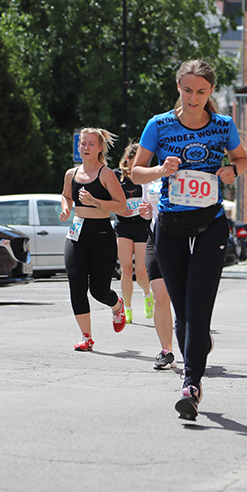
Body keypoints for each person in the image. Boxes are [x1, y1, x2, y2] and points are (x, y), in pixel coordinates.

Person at [131, 59, 247, 421]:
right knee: (182, 310)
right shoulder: (159, 125)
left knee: (198, 309)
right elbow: (135, 170)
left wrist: (233, 169)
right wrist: (160, 170)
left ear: (211, 91)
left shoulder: (223, 125)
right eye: (187, 90)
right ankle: (196, 350)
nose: (193, 97)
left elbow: (242, 159)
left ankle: (191, 384)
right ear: (178, 88)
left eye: (201, 91)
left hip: (211, 222)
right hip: (170, 225)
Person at [59, 128, 128, 352]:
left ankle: (117, 306)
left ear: (99, 148)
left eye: (90, 144)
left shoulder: (106, 174)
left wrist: (94, 201)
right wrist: (66, 208)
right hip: (77, 233)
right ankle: (86, 337)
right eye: (82, 143)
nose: (85, 147)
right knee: (76, 284)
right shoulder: (71, 174)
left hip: (101, 234)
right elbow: (66, 195)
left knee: (98, 291)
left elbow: (121, 205)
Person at [138, 179, 176, 371]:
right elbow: (149, 209)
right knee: (160, 297)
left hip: (182, 239)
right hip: (156, 238)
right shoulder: (150, 179)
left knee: (184, 297)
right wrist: (146, 214)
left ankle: (198, 336)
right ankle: (166, 351)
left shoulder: (190, 172)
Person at [113, 143, 152, 324]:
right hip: (123, 226)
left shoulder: (146, 177)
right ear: (127, 160)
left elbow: (153, 201)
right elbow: (109, 199)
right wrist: (118, 210)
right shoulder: (116, 176)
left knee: (141, 271)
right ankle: (127, 309)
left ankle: (147, 294)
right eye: (135, 161)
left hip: (142, 227)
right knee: (126, 269)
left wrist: (147, 209)